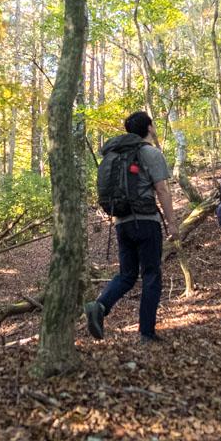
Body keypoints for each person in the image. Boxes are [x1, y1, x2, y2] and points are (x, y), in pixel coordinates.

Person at [84, 111, 178, 343]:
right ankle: (146, 332)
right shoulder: (150, 153)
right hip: (146, 222)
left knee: (127, 275)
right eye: (153, 124)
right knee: (151, 276)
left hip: (121, 222)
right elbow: (163, 190)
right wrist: (172, 223)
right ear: (149, 127)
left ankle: (100, 305)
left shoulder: (116, 155)